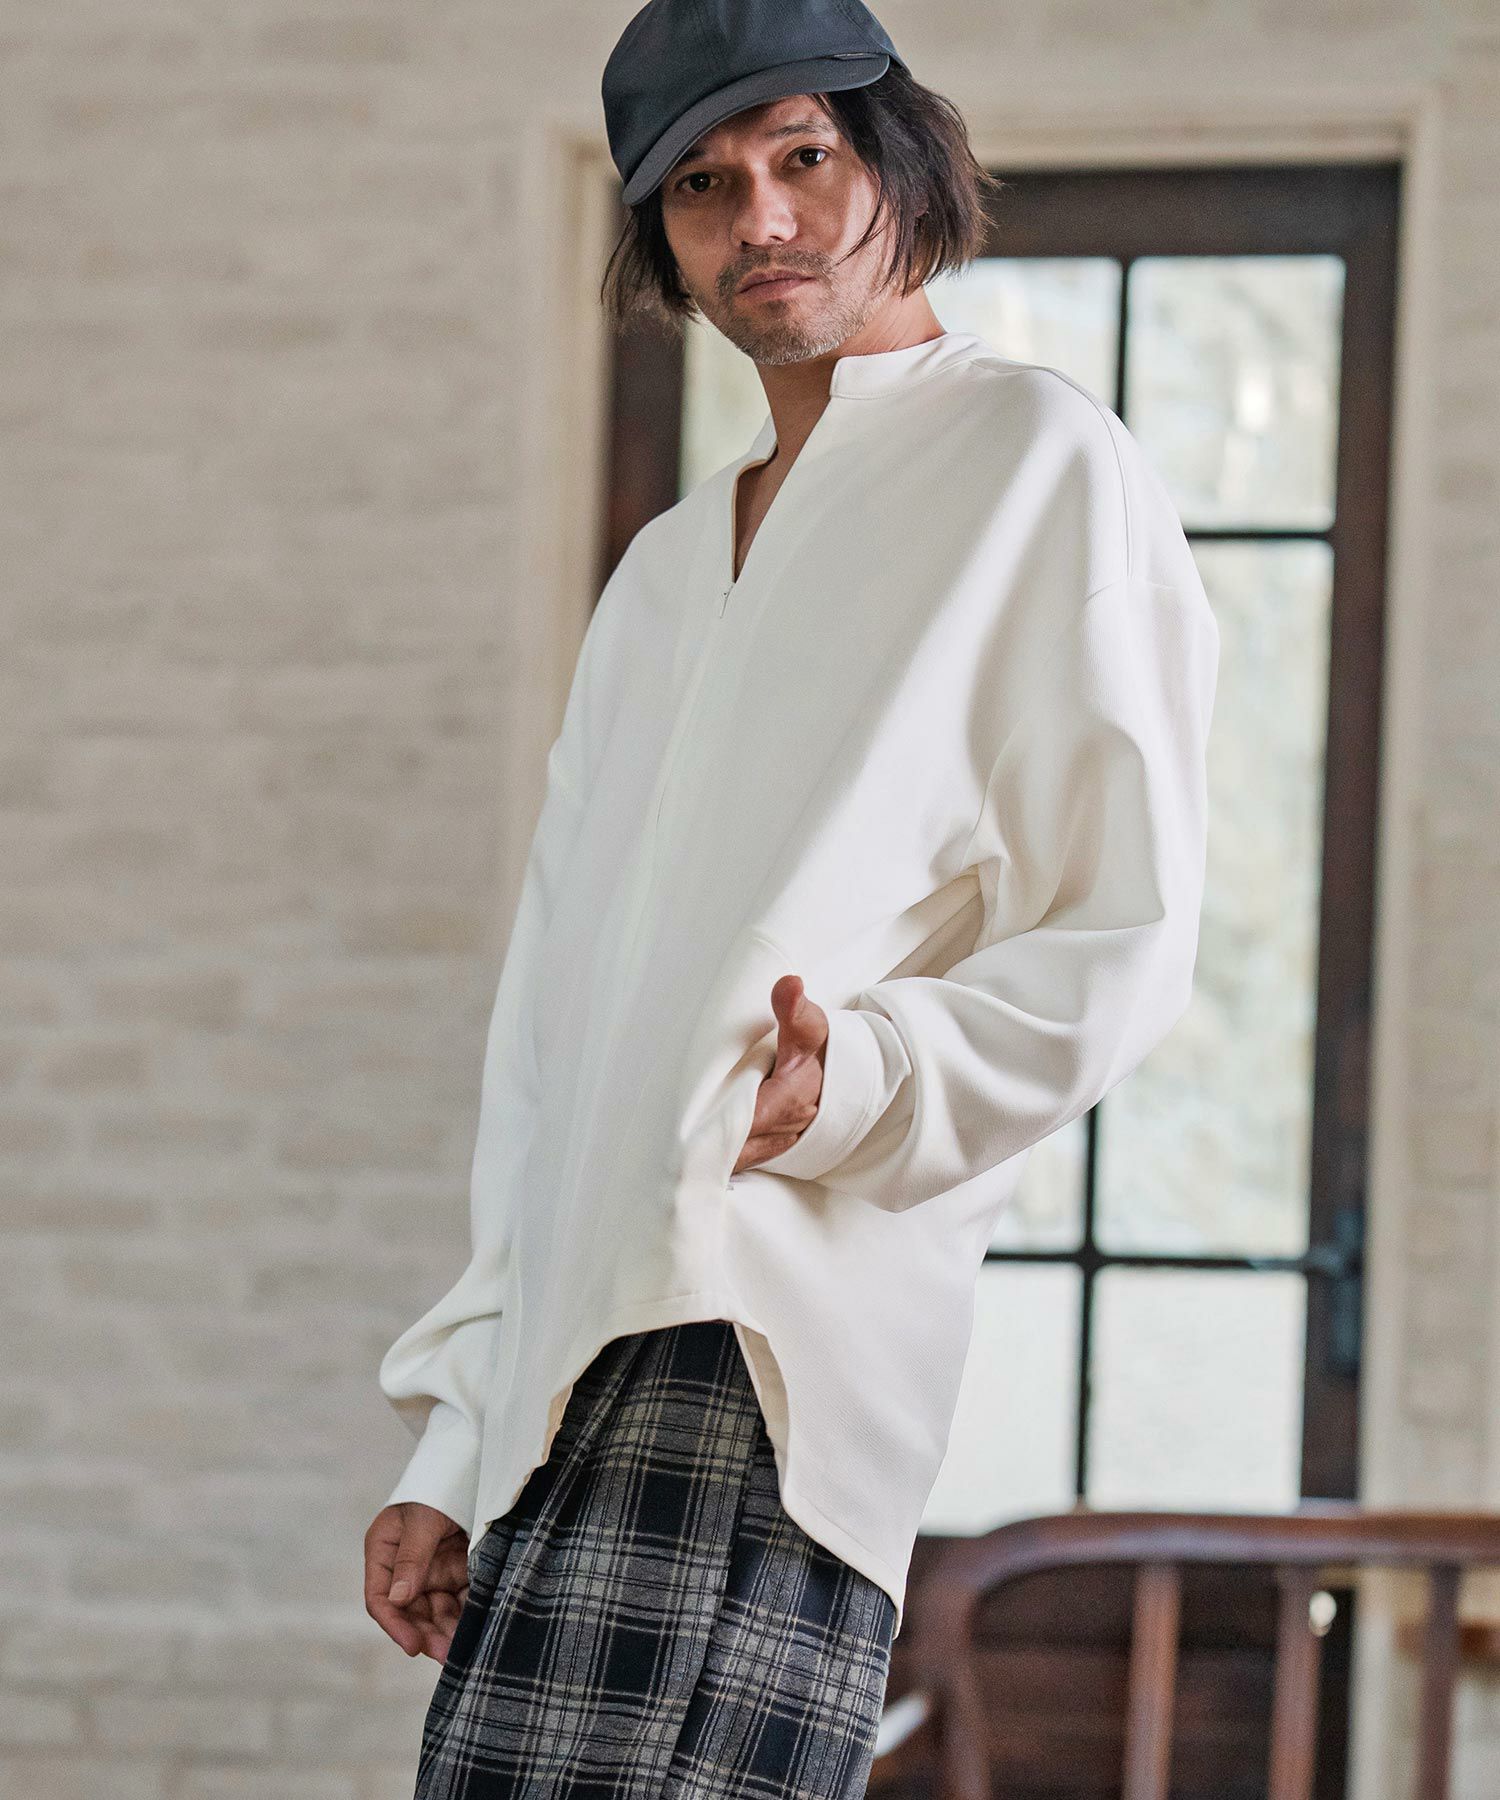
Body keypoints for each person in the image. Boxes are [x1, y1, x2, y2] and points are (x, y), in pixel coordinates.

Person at [364, 0, 1220, 1794]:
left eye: (803, 155)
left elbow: (1121, 929)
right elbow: (553, 1032)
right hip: (564, 1375)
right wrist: (456, 1437)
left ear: (899, 160)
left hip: (768, 1341)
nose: (760, 217)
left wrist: (861, 1084)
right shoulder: (666, 571)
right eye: (700, 184)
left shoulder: (1038, 463)